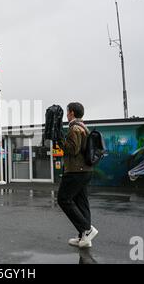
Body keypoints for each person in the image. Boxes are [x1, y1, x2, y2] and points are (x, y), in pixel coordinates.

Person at [58, 102, 98, 248]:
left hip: (76, 171)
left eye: (68, 112)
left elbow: (72, 149)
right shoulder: (83, 127)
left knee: (63, 199)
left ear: (72, 113)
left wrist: (59, 140)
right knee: (81, 202)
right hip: (85, 170)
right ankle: (84, 237)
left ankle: (87, 229)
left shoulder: (74, 128)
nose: (67, 115)